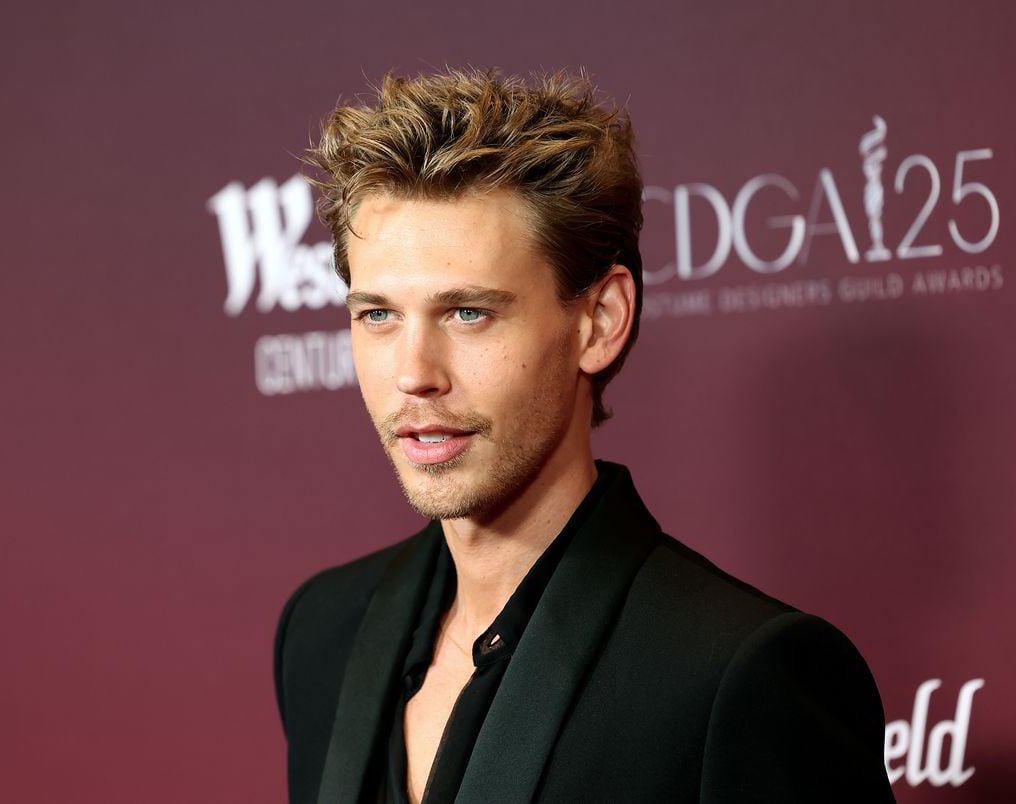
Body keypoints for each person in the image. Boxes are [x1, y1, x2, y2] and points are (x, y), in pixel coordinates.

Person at [274, 68, 894, 803]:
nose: (414, 374)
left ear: (598, 322)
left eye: (469, 312)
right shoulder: (322, 631)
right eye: (377, 315)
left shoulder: (737, 676)